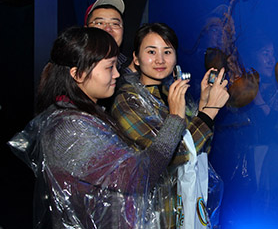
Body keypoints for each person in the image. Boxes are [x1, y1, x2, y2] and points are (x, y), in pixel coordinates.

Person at [8, 27, 186, 228]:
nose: (117, 74)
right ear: (78, 74)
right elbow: (139, 177)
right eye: (110, 67)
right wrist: (175, 119)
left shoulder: (83, 114)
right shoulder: (69, 129)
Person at [111, 22, 229, 227]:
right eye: (151, 51)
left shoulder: (173, 94)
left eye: (167, 51)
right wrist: (210, 111)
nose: (160, 59)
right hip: (148, 214)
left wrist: (203, 105)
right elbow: (173, 155)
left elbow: (201, 151)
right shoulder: (126, 101)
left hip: (182, 205)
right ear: (136, 59)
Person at [84, 0, 134, 73]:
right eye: (100, 23)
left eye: (115, 24)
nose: (108, 29)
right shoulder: (73, 66)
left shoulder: (133, 69)